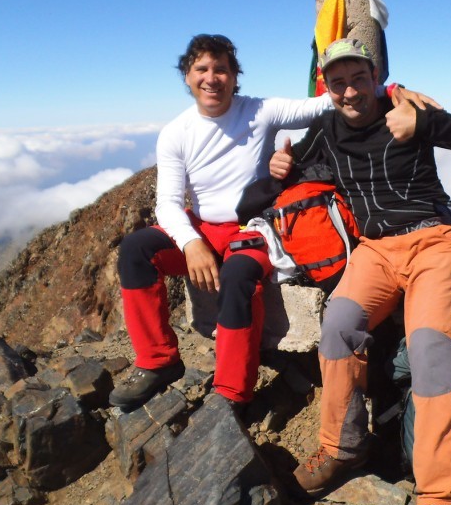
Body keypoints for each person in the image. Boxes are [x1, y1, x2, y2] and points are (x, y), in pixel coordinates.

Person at [111, 34, 432, 411]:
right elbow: (166, 203)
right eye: (202, 69)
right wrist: (190, 243)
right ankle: (158, 360)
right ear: (187, 75)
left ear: (234, 76)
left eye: (221, 69)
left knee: (239, 275)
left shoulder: (259, 111)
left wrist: (390, 88)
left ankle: (232, 392)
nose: (211, 78)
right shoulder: (175, 133)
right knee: (135, 251)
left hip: (253, 227)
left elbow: (326, 102)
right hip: (200, 228)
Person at [270, 37, 451, 505]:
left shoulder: (407, 109)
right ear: (327, 85)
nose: (350, 90)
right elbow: (282, 178)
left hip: (434, 239)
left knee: (431, 348)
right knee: (338, 325)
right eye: (338, 81)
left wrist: (426, 126)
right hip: (375, 249)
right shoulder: (325, 128)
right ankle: (343, 448)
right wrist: (280, 166)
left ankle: (443, 497)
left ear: (375, 76)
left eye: (358, 78)